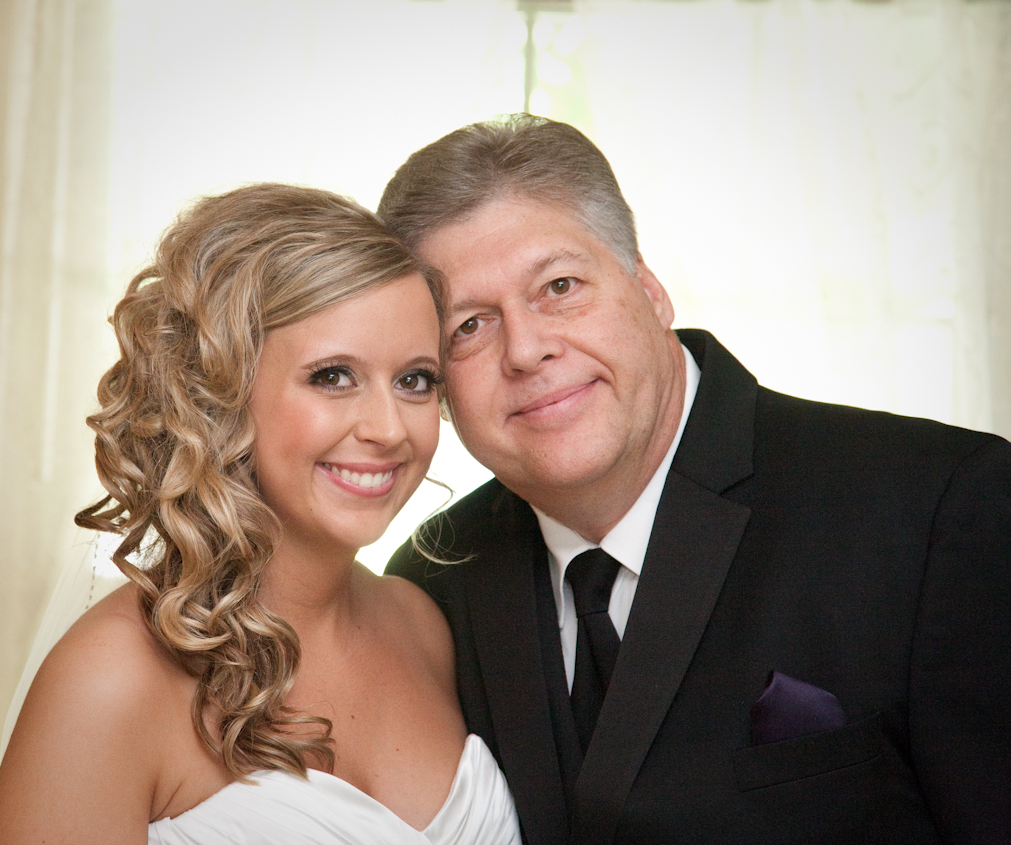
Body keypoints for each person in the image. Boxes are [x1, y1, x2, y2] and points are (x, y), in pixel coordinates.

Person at [381, 115, 1011, 845]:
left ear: (649, 289)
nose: (525, 349)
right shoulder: (431, 586)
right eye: (469, 326)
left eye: (559, 286)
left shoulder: (940, 507)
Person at [0, 183, 522, 845]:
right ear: (221, 391)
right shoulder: (111, 679)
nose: (389, 429)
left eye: (415, 380)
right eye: (333, 376)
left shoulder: (423, 624)